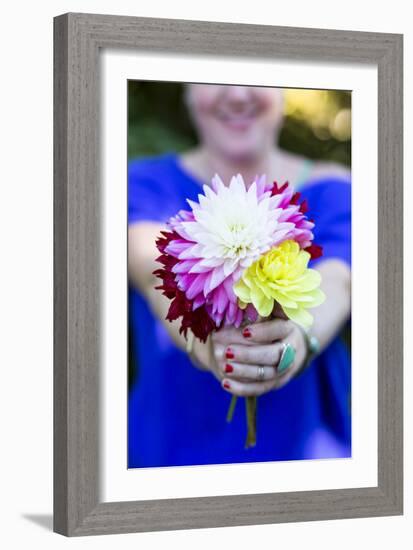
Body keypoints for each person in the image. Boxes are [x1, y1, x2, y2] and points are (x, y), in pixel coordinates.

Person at [127, 84, 351, 467]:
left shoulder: (336, 188)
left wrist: (296, 337)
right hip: (167, 456)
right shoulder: (141, 183)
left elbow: (338, 280)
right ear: (186, 91)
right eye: (214, 76)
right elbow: (153, 270)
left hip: (307, 459)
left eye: (255, 75)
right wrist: (203, 344)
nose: (237, 93)